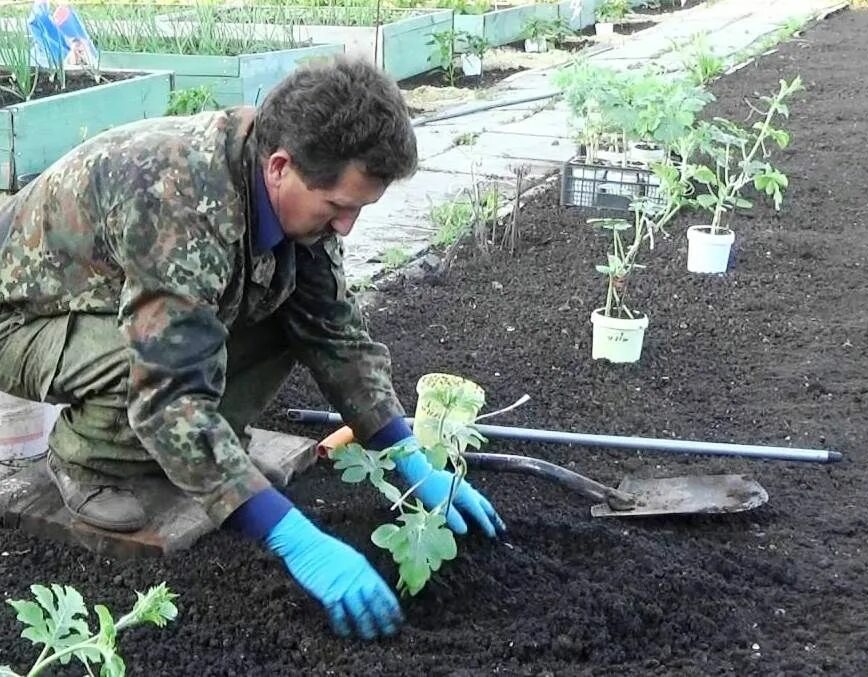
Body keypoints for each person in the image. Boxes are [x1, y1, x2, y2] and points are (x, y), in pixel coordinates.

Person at [0, 57, 506, 640]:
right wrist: (288, 535)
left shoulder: (288, 184)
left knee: (279, 311)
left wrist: (409, 459)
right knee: (144, 364)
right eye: (339, 207)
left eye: (360, 209)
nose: (347, 227)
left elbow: (334, 332)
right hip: (26, 319)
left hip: (116, 295)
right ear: (281, 167)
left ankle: (209, 462)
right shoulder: (178, 199)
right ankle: (88, 459)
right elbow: (168, 395)